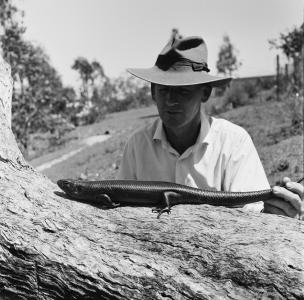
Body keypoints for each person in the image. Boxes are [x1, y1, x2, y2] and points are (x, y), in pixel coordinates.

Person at [117, 33, 303, 219]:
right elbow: (120, 208)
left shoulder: (233, 142)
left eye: (183, 91)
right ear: (153, 92)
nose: (171, 100)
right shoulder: (137, 145)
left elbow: (255, 213)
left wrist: (277, 211)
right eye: (163, 89)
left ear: (205, 93)